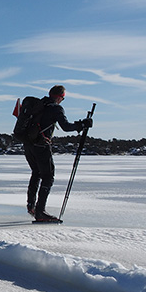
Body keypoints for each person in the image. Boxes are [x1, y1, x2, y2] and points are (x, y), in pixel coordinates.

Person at [24, 85, 93, 222]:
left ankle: (32, 205)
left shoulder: (39, 105)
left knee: (36, 173)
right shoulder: (55, 108)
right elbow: (66, 127)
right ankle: (40, 212)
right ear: (60, 97)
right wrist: (81, 125)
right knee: (48, 177)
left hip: (28, 145)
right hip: (41, 146)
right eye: (63, 98)